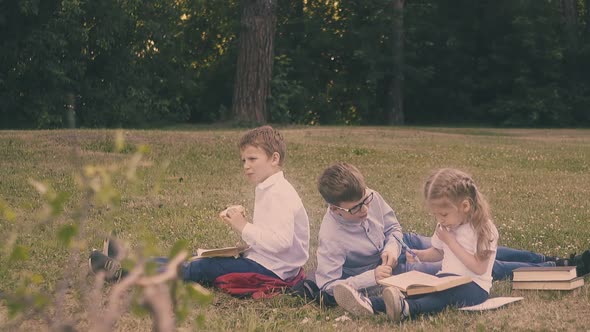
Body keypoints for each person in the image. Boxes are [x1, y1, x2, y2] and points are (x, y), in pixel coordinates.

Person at [314, 163, 590, 306]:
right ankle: (557, 268)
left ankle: (552, 259)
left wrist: (392, 247)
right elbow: (328, 287)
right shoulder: (331, 237)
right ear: (334, 209)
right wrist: (371, 276)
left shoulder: (370, 195)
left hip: (404, 247)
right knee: (473, 264)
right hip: (392, 270)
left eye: (366, 201)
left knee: (480, 246)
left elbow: (393, 228)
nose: (365, 210)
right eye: (355, 210)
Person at [89, 126, 310, 296]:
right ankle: (127, 262)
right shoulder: (269, 187)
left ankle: (123, 274)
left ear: (274, 158)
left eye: (252, 159)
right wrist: (243, 223)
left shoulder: (280, 193)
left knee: (199, 268)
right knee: (193, 260)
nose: (246, 165)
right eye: (243, 160)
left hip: (272, 269)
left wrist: (243, 226)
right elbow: (272, 233)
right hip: (263, 259)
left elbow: (281, 243)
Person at [334, 168, 498, 320]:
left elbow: (479, 268)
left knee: (441, 297)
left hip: (474, 287)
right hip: (445, 280)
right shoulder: (446, 226)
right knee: (416, 290)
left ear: (465, 206)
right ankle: (370, 304)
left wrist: (451, 241)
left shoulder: (484, 229)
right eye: (436, 215)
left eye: (444, 214)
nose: (440, 220)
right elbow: (439, 252)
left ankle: (408, 309)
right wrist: (421, 255)